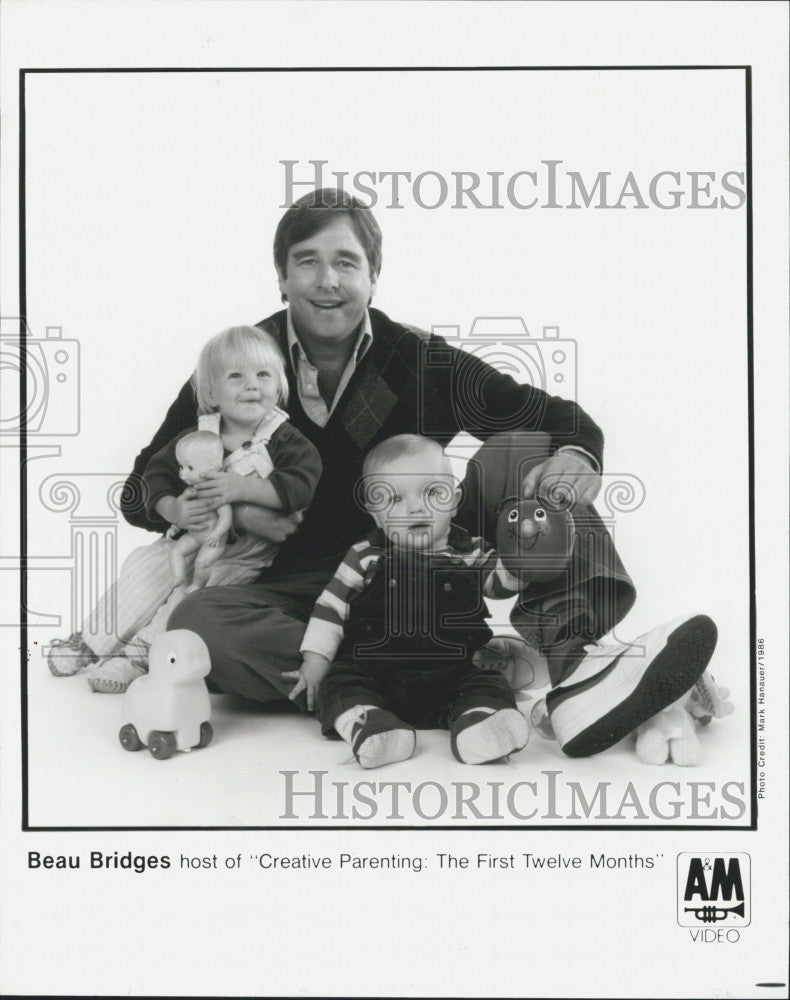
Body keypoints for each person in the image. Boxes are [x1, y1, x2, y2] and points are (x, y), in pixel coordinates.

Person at [122, 186, 716, 757]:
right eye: (307, 261)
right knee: (198, 623)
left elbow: (556, 418)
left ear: (373, 276)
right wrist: (189, 505)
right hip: (296, 588)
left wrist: (576, 455)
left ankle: (578, 663)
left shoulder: (421, 359)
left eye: (346, 263)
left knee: (522, 452)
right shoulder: (240, 364)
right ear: (281, 276)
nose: (327, 280)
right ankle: (405, 676)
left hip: (421, 570)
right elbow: (137, 492)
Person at [47, 325, 321, 693]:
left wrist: (244, 487)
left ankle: (140, 657)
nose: (252, 385)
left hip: (240, 555)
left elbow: (301, 486)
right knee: (144, 571)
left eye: (263, 374)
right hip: (188, 535)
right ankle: (91, 641)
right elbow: (154, 474)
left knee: (193, 598)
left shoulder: (286, 440)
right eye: (236, 376)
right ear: (211, 392)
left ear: (280, 384)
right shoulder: (199, 434)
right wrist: (173, 508)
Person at [289, 434, 530, 769]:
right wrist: (314, 662)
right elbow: (330, 609)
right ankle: (372, 724)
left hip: (454, 672)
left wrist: (522, 564)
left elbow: (500, 584)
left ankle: (479, 722)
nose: (416, 507)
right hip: (376, 673)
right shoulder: (364, 557)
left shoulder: (470, 551)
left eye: (432, 493)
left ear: (454, 499)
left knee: (487, 682)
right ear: (375, 514)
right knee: (340, 684)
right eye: (395, 499)